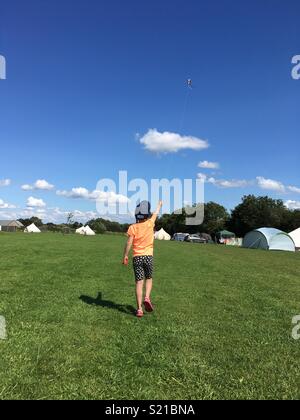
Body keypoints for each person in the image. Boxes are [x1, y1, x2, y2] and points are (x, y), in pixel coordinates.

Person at [122, 200, 163, 318]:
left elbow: (129, 242)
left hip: (137, 258)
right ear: (147, 214)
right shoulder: (150, 223)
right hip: (148, 257)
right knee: (149, 278)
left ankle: (139, 309)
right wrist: (159, 204)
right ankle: (147, 297)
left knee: (139, 282)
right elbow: (156, 213)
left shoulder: (132, 227)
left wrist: (125, 255)